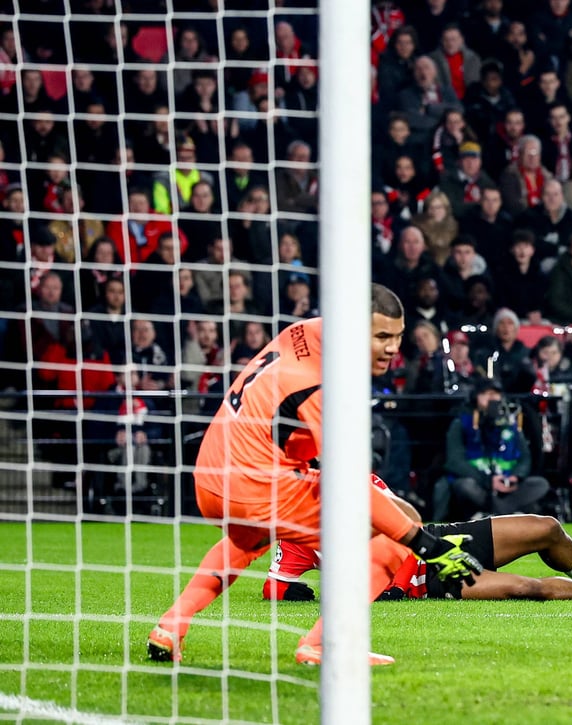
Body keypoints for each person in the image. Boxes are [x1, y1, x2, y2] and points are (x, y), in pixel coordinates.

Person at [147, 285, 483, 667]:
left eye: (398, 336)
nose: (392, 348)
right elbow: (348, 484)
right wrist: (427, 545)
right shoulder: (324, 383)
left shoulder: (304, 332)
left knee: (247, 539)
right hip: (255, 484)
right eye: (381, 336)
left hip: (212, 478)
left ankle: (170, 626)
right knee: (398, 526)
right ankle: (326, 644)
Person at [264, 482, 572, 603]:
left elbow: (409, 520)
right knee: (526, 588)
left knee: (547, 527)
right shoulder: (297, 532)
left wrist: (393, 581)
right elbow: (275, 586)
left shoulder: (359, 481)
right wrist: (301, 592)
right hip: (435, 579)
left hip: (440, 539)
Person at [440, 378, 549, 520]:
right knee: (464, 486)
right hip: (479, 484)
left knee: (540, 484)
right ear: (476, 397)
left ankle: (496, 513)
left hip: (507, 484)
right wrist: (488, 481)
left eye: (495, 394)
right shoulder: (461, 423)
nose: (491, 398)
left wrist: (516, 477)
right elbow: (455, 461)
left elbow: (525, 457)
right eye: (486, 394)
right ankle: (506, 513)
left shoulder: (510, 424)